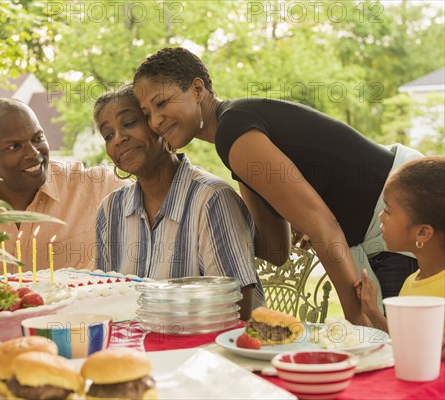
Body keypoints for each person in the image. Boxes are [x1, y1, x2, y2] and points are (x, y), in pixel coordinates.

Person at [132, 47, 423, 325]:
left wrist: (356, 318)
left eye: (161, 103)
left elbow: (323, 227)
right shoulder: (234, 143)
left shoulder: (234, 131)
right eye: (146, 113)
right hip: (382, 228)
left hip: (401, 219)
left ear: (197, 90)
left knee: (400, 355)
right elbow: (275, 248)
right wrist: (200, 227)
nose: (156, 121)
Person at [93, 85, 265, 319]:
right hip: (132, 348)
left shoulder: (211, 198)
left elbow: (235, 308)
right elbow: (104, 297)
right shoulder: (110, 210)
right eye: (108, 135)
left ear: (158, 126)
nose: (119, 139)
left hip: (205, 350)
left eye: (129, 123)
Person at [0, 98, 128, 272]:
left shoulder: (89, 186)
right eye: (14, 146)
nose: (33, 153)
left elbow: (148, 188)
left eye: (37, 139)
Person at [356, 157, 444, 358]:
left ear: (422, 233)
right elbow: (404, 342)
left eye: (387, 211)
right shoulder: (411, 282)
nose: (380, 217)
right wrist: (372, 311)